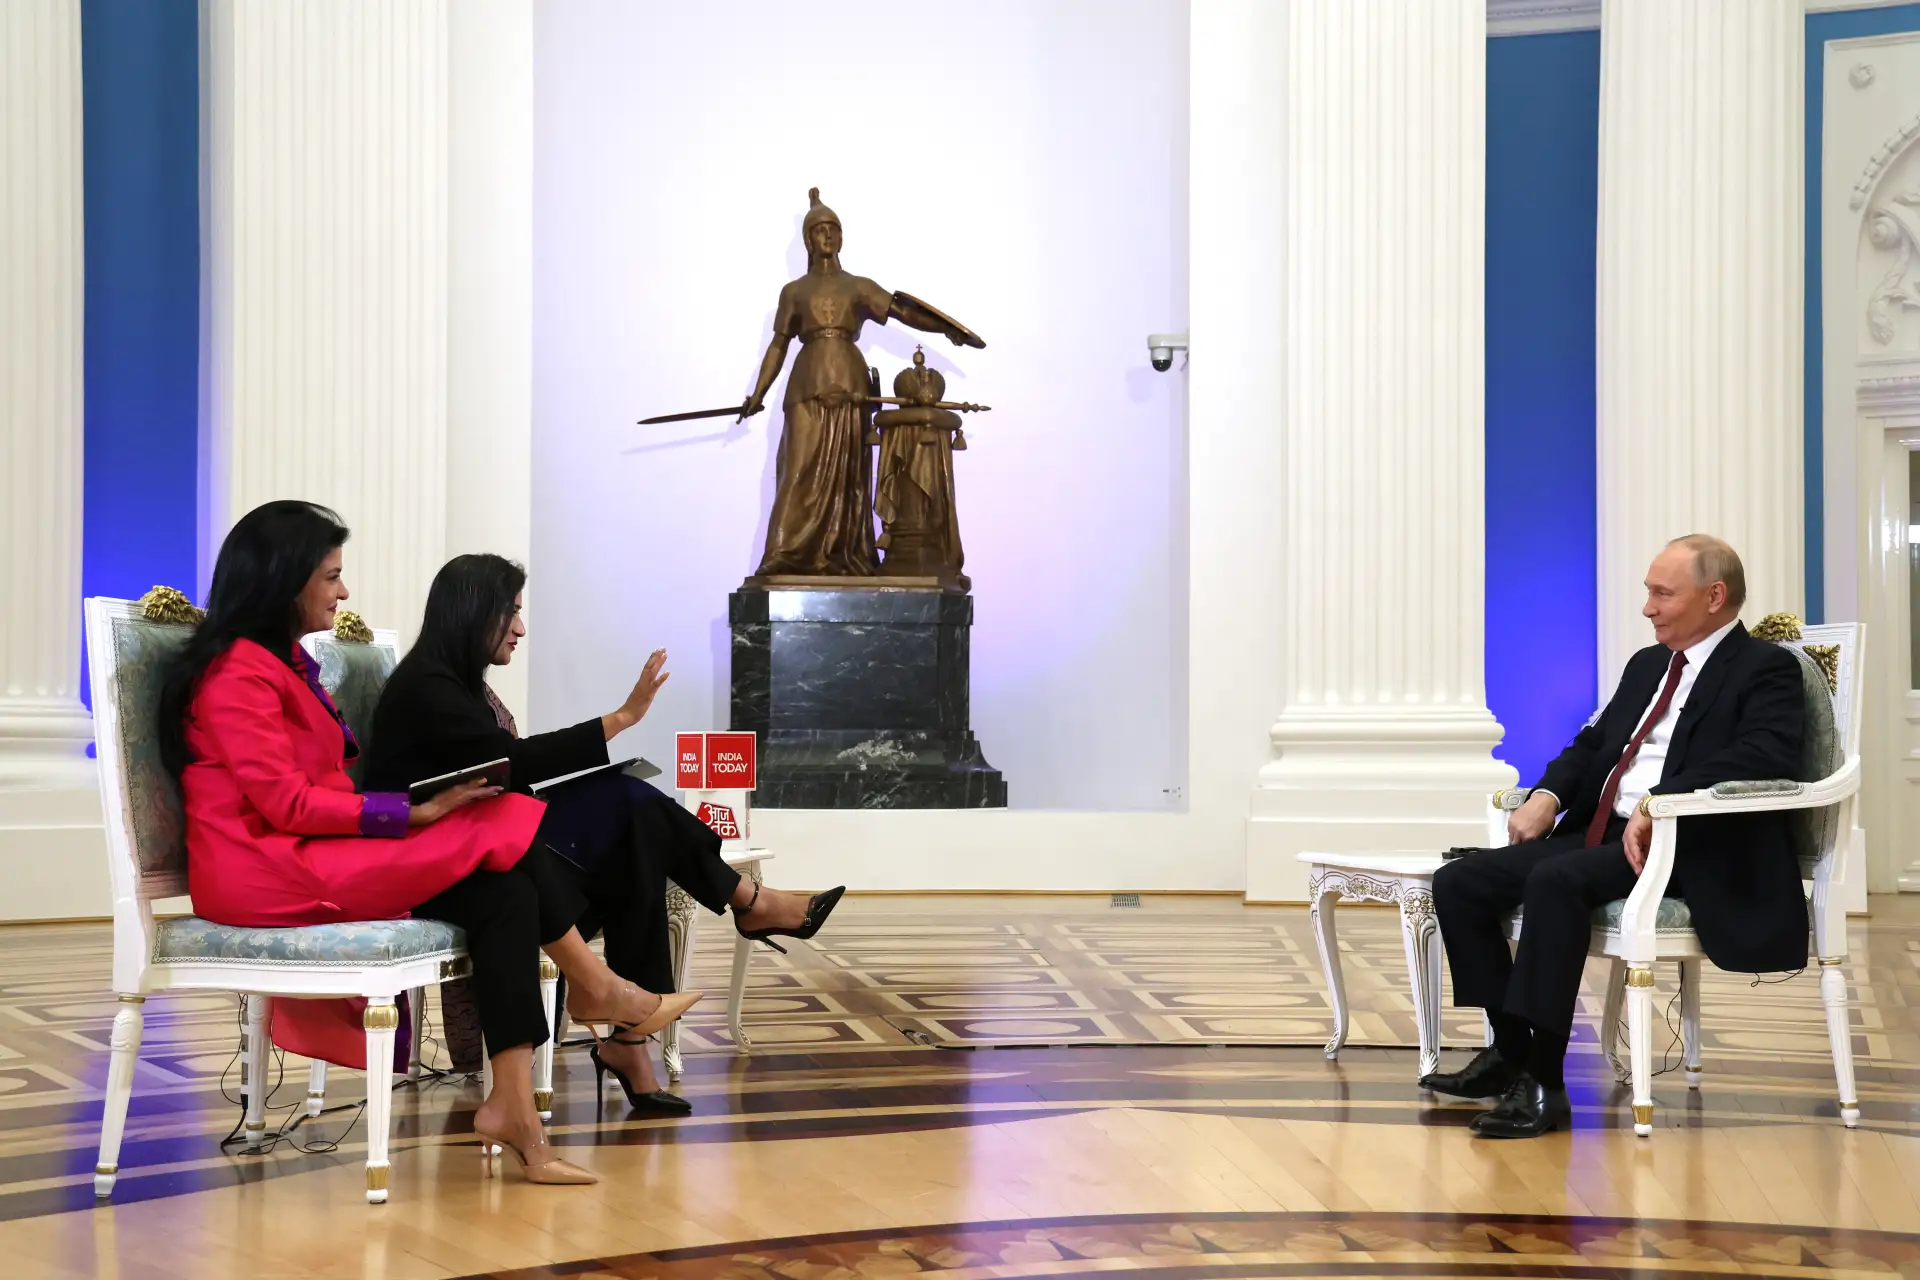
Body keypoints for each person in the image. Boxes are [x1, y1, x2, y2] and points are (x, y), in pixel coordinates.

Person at [161, 501, 698, 1185]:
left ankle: (514, 1107)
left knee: (505, 891)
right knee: (500, 820)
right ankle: (597, 988)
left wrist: (415, 812)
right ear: (283, 580)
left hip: (304, 849)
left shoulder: (280, 662)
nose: (344, 592)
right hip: (264, 868)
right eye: (331, 576)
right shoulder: (239, 672)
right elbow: (284, 802)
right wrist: (411, 814)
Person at [361, 553, 844, 1113]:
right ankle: (736, 918)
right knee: (631, 809)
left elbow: (503, 776)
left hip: (487, 848)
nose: (521, 628)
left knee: (635, 829)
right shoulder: (427, 688)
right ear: (474, 613)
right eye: (511, 612)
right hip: (452, 872)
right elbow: (511, 765)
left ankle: (637, 1036)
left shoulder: (452, 683)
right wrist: (620, 719)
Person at [1425, 535, 1807, 1137]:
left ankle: (1544, 1083)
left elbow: (1768, 753)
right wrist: (1548, 796)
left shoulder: (1766, 668)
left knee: (1555, 880)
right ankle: (1511, 1050)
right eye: (1649, 592)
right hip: (1602, 832)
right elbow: (1592, 745)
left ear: (1714, 596)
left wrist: (1662, 801)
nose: (1648, 608)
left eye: (1663, 594)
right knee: (1460, 882)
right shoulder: (1648, 664)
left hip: (1685, 846)